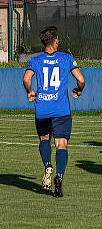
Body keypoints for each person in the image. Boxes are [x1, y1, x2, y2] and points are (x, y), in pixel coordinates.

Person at [22, 26, 85, 197]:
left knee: (44, 139)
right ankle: (59, 176)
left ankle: (48, 165)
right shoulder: (66, 58)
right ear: (55, 41)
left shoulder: (36, 60)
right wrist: (78, 90)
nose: (59, 42)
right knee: (61, 144)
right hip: (61, 110)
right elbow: (81, 80)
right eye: (58, 39)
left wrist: (30, 92)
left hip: (42, 109)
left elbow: (26, 79)